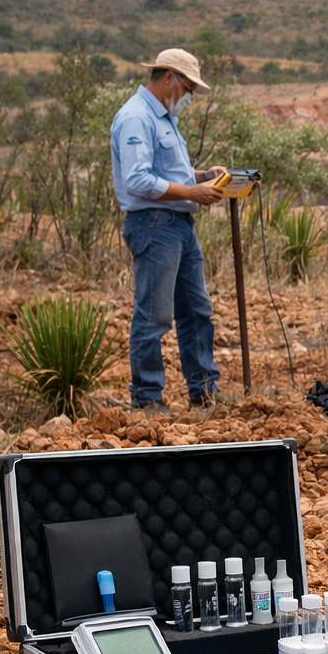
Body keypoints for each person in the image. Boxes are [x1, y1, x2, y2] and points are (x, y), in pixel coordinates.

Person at [110, 48, 227, 413]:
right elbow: (138, 180)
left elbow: (166, 173)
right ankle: (147, 399)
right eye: (188, 88)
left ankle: (204, 391)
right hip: (154, 225)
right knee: (154, 315)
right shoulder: (136, 117)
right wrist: (193, 192)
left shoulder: (163, 119)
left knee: (196, 310)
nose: (189, 97)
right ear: (168, 79)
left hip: (179, 226)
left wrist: (202, 176)